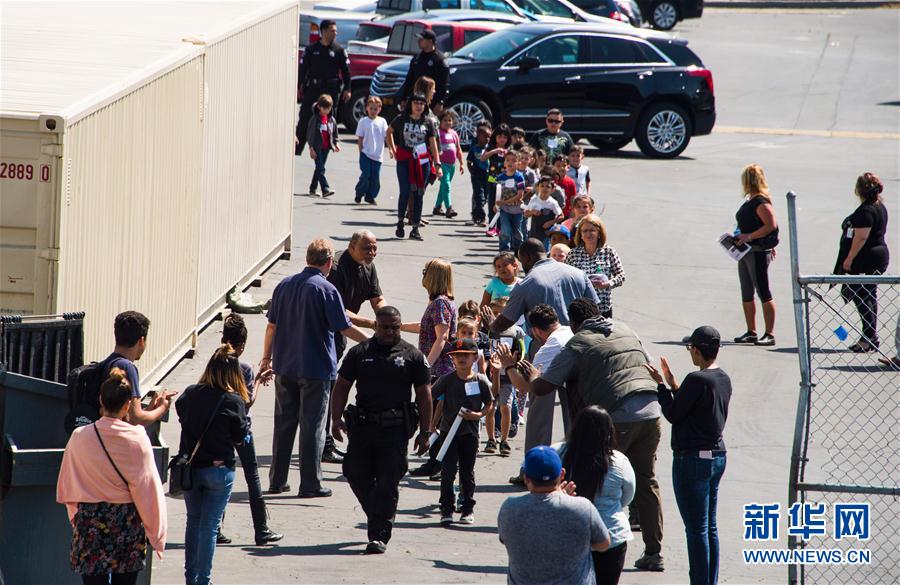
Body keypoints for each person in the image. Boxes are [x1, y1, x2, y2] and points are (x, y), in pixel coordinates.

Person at [508, 299, 666, 572]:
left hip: (616, 416)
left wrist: (533, 375)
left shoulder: (578, 342)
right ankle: (654, 552)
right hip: (651, 412)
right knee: (647, 479)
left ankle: (588, 544)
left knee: (593, 476)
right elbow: (648, 364)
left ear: (576, 323)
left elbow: (543, 387)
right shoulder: (626, 328)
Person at [262, 238, 368, 497]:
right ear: (329, 261)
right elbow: (343, 327)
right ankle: (311, 483)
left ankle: (277, 480)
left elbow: (271, 326)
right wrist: (372, 342)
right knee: (313, 427)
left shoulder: (284, 285)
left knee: (284, 424)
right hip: (316, 368)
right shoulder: (327, 289)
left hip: (285, 365)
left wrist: (266, 358)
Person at [331, 306, 433, 554]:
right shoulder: (359, 353)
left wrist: (425, 431)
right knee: (354, 472)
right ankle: (378, 514)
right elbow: (342, 386)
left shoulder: (413, 355)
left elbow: (424, 395)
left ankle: (378, 535)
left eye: (395, 327)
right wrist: (335, 419)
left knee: (388, 482)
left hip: (395, 429)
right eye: (385, 327)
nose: (390, 332)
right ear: (375, 326)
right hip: (363, 426)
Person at [57, 369, 167, 585]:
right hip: (126, 523)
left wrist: (77, 517)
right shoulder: (137, 438)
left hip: (90, 522)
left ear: (101, 399)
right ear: (127, 405)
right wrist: (156, 531)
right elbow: (147, 487)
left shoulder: (80, 436)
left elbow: (68, 481)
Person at [646, 326, 732, 585]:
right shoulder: (722, 378)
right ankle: (710, 580)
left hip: (692, 460)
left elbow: (673, 413)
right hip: (717, 456)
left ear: (696, 350)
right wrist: (674, 385)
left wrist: (661, 387)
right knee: (709, 526)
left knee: (696, 529)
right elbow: (695, 406)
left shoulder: (697, 380)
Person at [176, 345, 251, 585]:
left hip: (191, 469)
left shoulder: (190, 394)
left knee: (193, 523)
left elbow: (180, 410)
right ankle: (203, 581)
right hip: (219, 469)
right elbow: (240, 437)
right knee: (209, 527)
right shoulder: (233, 400)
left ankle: (191, 578)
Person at [498, 446, 610, 585]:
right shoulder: (582, 508)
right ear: (562, 474)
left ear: (526, 478)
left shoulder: (510, 508)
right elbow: (604, 544)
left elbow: (504, 539)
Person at [214, 315, 281, 546]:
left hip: (219, 428)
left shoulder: (214, 363)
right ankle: (261, 529)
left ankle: (217, 528)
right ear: (242, 345)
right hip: (241, 429)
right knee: (252, 476)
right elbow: (247, 401)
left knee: (221, 478)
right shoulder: (243, 368)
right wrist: (260, 381)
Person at [555, 407, 635, 585]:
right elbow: (627, 496)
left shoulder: (558, 453)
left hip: (570, 536)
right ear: (609, 432)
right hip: (612, 536)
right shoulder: (619, 462)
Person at [496, 304, 573, 483]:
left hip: (577, 388)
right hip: (587, 389)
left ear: (536, 331)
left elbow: (525, 387)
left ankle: (536, 474)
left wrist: (508, 365)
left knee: (543, 417)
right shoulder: (568, 331)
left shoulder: (549, 347)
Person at [431, 338, 493, 525]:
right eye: (457, 356)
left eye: (465, 355)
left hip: (469, 435)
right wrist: (431, 424)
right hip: (449, 434)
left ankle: (467, 509)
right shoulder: (447, 380)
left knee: (467, 473)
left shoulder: (480, 380)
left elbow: (490, 403)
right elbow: (431, 397)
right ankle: (446, 509)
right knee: (448, 472)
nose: (461, 359)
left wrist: (478, 414)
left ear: (475, 357)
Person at [487, 238, 598, 335]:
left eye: (522, 261)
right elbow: (595, 310)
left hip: (545, 348)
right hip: (579, 343)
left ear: (527, 258)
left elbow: (503, 323)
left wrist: (491, 324)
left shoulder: (526, 284)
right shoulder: (579, 273)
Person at [834, 172, 890, 352]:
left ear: (858, 190)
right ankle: (870, 335)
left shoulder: (866, 211)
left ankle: (868, 337)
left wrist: (848, 259)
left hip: (867, 259)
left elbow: (861, 238)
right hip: (878, 255)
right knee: (868, 294)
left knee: (861, 296)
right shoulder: (879, 206)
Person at [732, 164, 779, 346]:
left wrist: (748, 237)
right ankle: (751, 331)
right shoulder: (750, 199)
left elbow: (771, 225)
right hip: (745, 251)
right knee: (746, 291)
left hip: (757, 251)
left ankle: (770, 333)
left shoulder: (761, 201)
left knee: (763, 291)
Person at [103, 311, 176, 426]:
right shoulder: (127, 367)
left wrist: (151, 408)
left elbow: (125, 417)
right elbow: (136, 419)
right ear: (142, 341)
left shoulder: (106, 363)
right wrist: (162, 408)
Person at [386, 93, 441, 241]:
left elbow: (433, 143)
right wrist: (392, 148)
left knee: (419, 194)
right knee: (405, 191)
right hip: (404, 159)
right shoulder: (401, 119)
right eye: (416, 103)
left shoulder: (428, 122)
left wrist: (438, 164)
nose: (419, 106)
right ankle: (400, 223)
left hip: (422, 161)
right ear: (410, 104)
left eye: (422, 104)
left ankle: (415, 228)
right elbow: (389, 132)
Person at [295, 19, 351, 155]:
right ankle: (296, 150)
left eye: (336, 31)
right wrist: (298, 86)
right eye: (332, 31)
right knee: (304, 120)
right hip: (313, 89)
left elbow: (346, 72)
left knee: (327, 123)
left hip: (331, 91)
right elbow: (303, 70)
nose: (335, 33)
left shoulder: (338, 50)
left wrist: (347, 89)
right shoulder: (311, 49)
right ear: (323, 31)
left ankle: (323, 152)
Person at [484, 298, 525, 456]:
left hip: (507, 375)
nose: (497, 317)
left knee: (505, 407)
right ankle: (491, 439)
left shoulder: (516, 331)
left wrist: (516, 362)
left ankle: (504, 440)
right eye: (494, 313)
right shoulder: (489, 330)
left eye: (501, 314)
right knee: (490, 408)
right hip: (491, 375)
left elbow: (521, 352)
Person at [566, 214, 626, 318]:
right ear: (580, 234)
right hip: (580, 309)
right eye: (585, 231)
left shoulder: (609, 252)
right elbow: (566, 278)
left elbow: (621, 276)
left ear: (599, 233)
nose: (588, 234)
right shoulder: (573, 254)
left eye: (592, 230)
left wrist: (608, 284)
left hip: (603, 308)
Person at [399, 29, 450, 115]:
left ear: (430, 41)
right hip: (415, 99)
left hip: (431, 100)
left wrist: (440, 102)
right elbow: (409, 79)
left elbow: (444, 83)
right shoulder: (417, 58)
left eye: (422, 39)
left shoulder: (440, 59)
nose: (419, 41)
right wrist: (403, 98)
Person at [355, 96, 389, 205]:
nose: (373, 111)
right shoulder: (363, 121)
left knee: (375, 178)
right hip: (365, 153)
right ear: (367, 108)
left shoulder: (382, 121)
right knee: (366, 175)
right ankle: (359, 193)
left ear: (379, 109)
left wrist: (391, 149)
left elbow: (387, 136)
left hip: (377, 155)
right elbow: (360, 138)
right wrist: (361, 151)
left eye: (376, 109)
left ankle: (370, 196)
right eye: (371, 108)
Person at [306, 94, 340, 198]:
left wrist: (336, 143)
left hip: (326, 148)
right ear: (319, 107)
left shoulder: (331, 120)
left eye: (329, 108)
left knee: (319, 169)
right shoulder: (315, 119)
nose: (326, 110)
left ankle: (312, 188)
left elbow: (335, 133)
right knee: (320, 169)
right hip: (317, 148)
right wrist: (311, 148)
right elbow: (310, 134)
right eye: (324, 108)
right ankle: (325, 189)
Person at [481, 123, 512, 233]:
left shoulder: (510, 149)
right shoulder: (491, 147)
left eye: (505, 137)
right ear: (495, 137)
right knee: (492, 203)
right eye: (499, 136)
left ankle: (500, 227)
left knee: (503, 204)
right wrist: (495, 151)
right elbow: (483, 158)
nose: (502, 139)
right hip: (492, 179)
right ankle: (492, 226)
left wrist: (508, 154)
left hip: (506, 180)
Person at [495, 150, 527, 252]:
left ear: (518, 163)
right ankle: (504, 249)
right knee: (505, 230)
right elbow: (498, 194)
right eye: (508, 160)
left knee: (517, 232)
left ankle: (518, 249)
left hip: (517, 210)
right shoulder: (500, 178)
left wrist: (504, 202)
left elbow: (520, 195)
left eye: (513, 160)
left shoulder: (519, 177)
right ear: (504, 162)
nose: (510, 163)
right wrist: (496, 204)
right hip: (505, 210)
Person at [434, 110, 464, 218]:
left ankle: (437, 207)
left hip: (452, 166)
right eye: (445, 120)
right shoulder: (438, 133)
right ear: (440, 122)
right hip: (442, 165)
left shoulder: (454, 134)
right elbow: (434, 149)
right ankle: (449, 208)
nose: (447, 122)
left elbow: (458, 149)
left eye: (449, 120)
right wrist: (436, 165)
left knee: (443, 187)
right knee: (446, 185)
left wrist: (461, 163)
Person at [525, 172, 565, 249]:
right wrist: (532, 212)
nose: (544, 188)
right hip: (534, 231)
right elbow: (525, 214)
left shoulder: (553, 202)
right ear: (538, 188)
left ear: (552, 189)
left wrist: (550, 222)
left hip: (547, 233)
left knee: (544, 250)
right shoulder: (534, 200)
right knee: (534, 249)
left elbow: (561, 216)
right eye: (542, 186)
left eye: (547, 186)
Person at [467, 122, 492, 227]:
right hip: (477, 175)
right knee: (479, 196)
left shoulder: (490, 149)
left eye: (489, 137)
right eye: (485, 136)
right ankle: (480, 218)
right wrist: (472, 171)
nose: (487, 139)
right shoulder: (474, 149)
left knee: (487, 195)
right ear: (478, 136)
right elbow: (469, 161)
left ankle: (477, 214)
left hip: (489, 176)